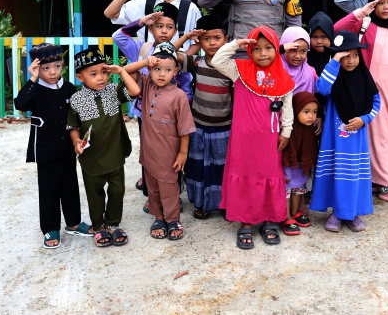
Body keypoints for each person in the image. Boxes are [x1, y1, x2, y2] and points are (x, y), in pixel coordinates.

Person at [211, 26, 295, 249]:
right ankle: (246, 223)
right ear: (250, 51)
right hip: (243, 140)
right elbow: (217, 61)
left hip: (270, 140)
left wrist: (286, 133)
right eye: (256, 48)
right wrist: (236, 44)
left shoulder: (283, 77)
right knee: (245, 176)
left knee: (269, 175)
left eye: (268, 48)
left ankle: (269, 221)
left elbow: (287, 109)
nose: (263, 53)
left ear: (277, 49)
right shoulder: (240, 70)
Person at [334, 0, 388, 207]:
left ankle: (376, 179)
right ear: (372, 4)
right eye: (380, 2)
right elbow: (338, 27)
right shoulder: (365, 26)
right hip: (372, 93)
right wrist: (362, 12)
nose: (386, 6)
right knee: (379, 136)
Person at [13, 43, 92, 249]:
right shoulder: (35, 90)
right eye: (45, 68)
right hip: (45, 149)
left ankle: (73, 222)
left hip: (67, 148)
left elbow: (77, 116)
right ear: (36, 69)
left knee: (70, 186)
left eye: (57, 66)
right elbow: (20, 104)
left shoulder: (69, 88)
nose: (52, 72)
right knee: (48, 189)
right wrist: (31, 79)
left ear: (63, 65)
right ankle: (50, 228)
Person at [116, 43, 195, 240]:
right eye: (157, 69)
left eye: (167, 70)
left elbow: (185, 128)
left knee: (169, 187)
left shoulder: (179, 96)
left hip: (169, 153)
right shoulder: (146, 84)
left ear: (175, 71)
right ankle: (158, 217)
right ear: (149, 70)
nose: (161, 74)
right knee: (151, 186)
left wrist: (183, 153)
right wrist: (145, 62)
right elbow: (125, 71)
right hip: (149, 152)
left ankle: (173, 219)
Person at [310, 31, 380, 233]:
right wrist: (334, 62)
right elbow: (321, 88)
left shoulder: (365, 79)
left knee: (353, 175)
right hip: (334, 139)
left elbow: (376, 103)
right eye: (345, 56)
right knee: (335, 174)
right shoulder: (333, 78)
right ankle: (336, 212)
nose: (351, 60)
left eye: (355, 55)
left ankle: (353, 213)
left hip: (356, 139)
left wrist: (364, 119)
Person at [67, 48, 136, 248]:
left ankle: (113, 224)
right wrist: (76, 141)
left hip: (115, 154)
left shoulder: (113, 91)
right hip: (91, 158)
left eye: (104, 72)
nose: (101, 78)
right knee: (94, 194)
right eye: (93, 74)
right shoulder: (76, 100)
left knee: (117, 191)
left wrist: (121, 71)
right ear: (80, 77)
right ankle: (99, 227)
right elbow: (72, 126)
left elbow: (135, 91)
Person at [173, 15, 233, 220]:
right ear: (199, 42)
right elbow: (168, 53)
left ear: (226, 39)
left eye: (217, 38)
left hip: (225, 128)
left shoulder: (231, 67)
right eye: (206, 39)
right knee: (198, 168)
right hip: (197, 127)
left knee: (221, 169)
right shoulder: (196, 63)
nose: (212, 43)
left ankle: (224, 203)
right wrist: (188, 36)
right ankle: (200, 204)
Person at [281, 92, 320, 235]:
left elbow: (310, 151)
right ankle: (286, 217)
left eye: (314, 112)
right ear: (295, 110)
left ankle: (295, 212)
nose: (311, 116)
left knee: (298, 190)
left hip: (300, 171)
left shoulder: (310, 130)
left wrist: (307, 168)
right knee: (286, 193)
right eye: (306, 112)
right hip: (288, 172)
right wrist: (286, 173)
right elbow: (286, 154)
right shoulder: (290, 131)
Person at [307, 11, 334, 76]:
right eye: (315, 37)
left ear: (331, 36)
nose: (319, 41)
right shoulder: (303, 58)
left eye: (323, 37)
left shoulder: (337, 58)